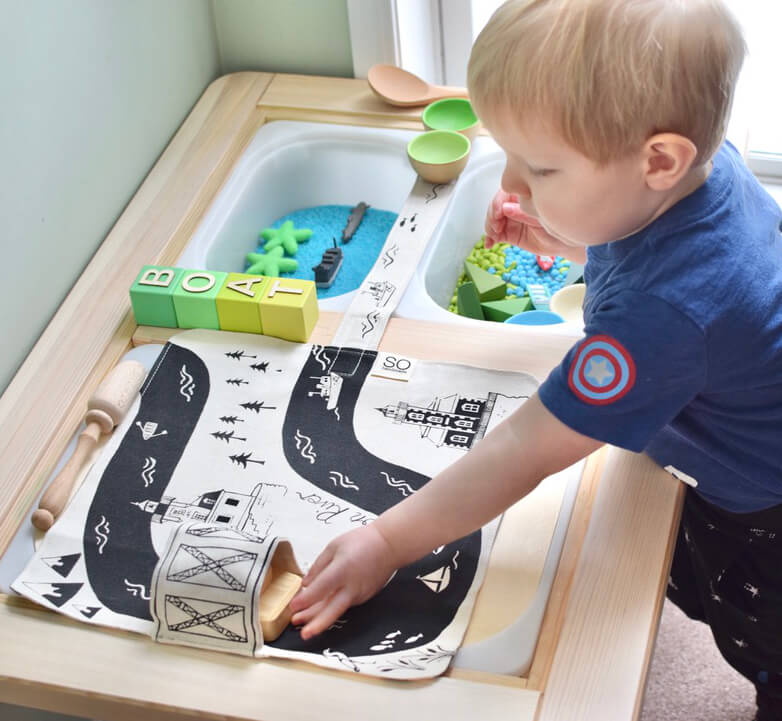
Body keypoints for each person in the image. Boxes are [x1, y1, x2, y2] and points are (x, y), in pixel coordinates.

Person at [291, 1, 782, 716]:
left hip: (763, 508)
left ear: (658, 159)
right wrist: (565, 240)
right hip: (734, 416)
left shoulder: (659, 322)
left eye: (542, 168)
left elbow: (525, 448)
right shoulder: (704, 171)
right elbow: (650, 253)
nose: (511, 184)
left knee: (763, 638)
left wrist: (388, 538)